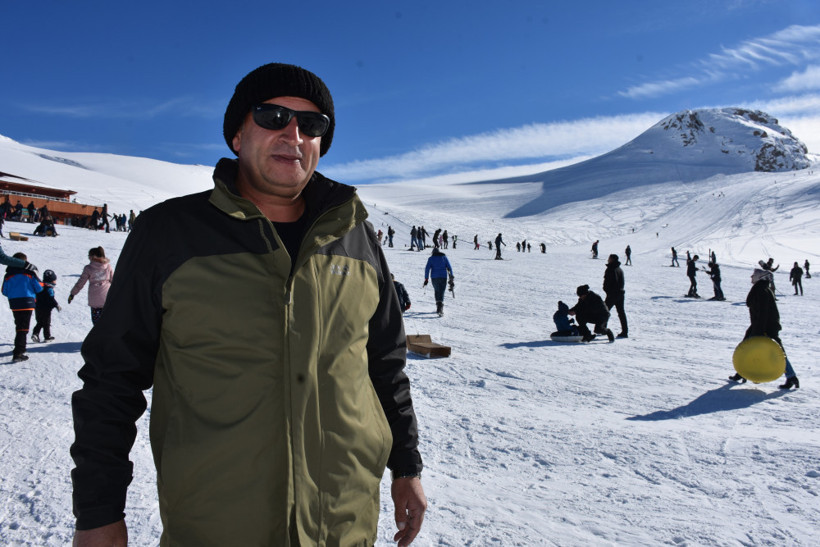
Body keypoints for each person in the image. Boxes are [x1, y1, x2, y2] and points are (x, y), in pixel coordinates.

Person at [70, 63, 425, 547]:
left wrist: (406, 465)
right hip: (216, 527)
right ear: (237, 134)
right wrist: (97, 513)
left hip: (342, 524)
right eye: (272, 116)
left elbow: (383, 363)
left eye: (312, 124)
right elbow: (111, 380)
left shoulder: (355, 237)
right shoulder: (170, 234)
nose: (293, 134)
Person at [729, 269, 800, 389]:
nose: (751, 277)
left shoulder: (761, 290)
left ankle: (791, 377)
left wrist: (759, 331)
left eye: (754, 275)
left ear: (760, 277)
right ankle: (742, 373)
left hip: (765, 326)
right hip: (762, 325)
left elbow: (763, 312)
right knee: (750, 347)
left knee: (774, 352)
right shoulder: (761, 288)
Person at [2, 252, 42, 362]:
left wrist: (13, 294)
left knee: (20, 326)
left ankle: (21, 347)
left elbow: (4, 291)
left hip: (15, 303)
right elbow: (39, 288)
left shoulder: (8, 274)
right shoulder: (29, 273)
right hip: (27, 302)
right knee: (23, 328)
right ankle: (18, 353)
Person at [68, 246, 114, 325]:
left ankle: (98, 336)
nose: (88, 257)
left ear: (93, 256)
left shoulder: (88, 268)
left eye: (89, 256)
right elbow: (114, 281)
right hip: (107, 299)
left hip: (95, 301)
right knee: (107, 324)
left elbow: (80, 283)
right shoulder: (108, 266)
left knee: (97, 325)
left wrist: (72, 293)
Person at [32, 268, 61, 342]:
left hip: (37, 307)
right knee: (46, 323)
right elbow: (51, 298)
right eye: (55, 280)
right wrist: (56, 305)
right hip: (46, 309)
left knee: (40, 322)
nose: (55, 281)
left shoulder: (40, 286)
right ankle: (47, 337)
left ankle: (35, 334)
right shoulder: (49, 289)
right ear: (51, 281)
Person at [603, 254, 628, 338]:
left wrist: (608, 291)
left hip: (613, 294)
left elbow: (609, 282)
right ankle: (625, 331)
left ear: (612, 259)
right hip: (620, 293)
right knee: (621, 312)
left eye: (609, 258)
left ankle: (603, 329)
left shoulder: (611, 269)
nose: (608, 259)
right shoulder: (619, 269)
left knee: (604, 311)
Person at [424, 247, 454, 316]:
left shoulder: (431, 259)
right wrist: (451, 276)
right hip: (443, 277)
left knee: (437, 290)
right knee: (442, 291)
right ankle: (440, 307)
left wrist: (426, 278)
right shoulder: (444, 257)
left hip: (434, 277)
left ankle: (438, 306)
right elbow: (449, 267)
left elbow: (427, 269)